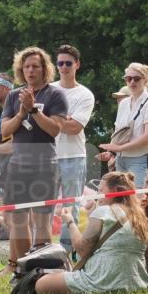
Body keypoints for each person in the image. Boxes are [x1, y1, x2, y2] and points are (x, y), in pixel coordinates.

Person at [0, 46, 68, 271]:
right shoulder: (13, 95)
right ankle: (24, 270)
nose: (30, 70)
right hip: (18, 165)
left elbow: (55, 130)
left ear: (44, 69)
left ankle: (42, 269)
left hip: (45, 165)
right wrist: (22, 112)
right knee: (18, 221)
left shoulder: (55, 94)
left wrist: (35, 111)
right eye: (26, 66)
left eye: (35, 66)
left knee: (41, 220)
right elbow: (4, 131)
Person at [37, 171, 148, 294]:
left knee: (41, 284)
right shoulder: (139, 215)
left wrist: (69, 221)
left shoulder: (103, 211)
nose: (98, 195)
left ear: (114, 191)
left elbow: (82, 249)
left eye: (101, 191)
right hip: (135, 283)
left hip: (101, 281)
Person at [52, 44, 96, 257]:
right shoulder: (48, 90)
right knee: (43, 207)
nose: (63, 67)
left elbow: (75, 127)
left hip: (74, 156)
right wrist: (64, 118)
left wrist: (53, 119)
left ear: (77, 65)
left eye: (68, 63)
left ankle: (68, 253)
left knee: (71, 207)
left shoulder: (85, 94)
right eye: (60, 63)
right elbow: (41, 123)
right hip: (48, 156)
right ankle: (42, 251)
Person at [99, 62, 148, 188]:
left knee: (138, 201)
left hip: (141, 159)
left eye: (136, 78)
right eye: (128, 78)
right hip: (121, 160)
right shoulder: (123, 103)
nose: (132, 82)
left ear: (145, 80)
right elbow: (118, 132)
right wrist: (110, 151)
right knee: (121, 201)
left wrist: (120, 148)